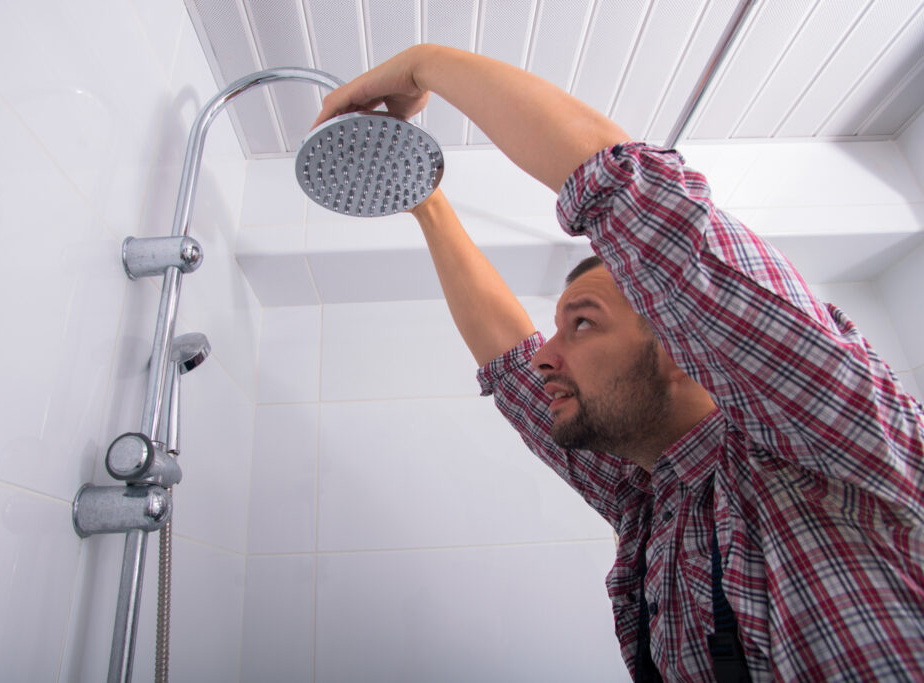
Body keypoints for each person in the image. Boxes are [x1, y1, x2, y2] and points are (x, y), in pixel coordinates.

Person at [313, 44, 924, 681]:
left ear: (684, 345)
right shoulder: (650, 500)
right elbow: (509, 362)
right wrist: (423, 196)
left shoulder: (827, 443)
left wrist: (421, 62)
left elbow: (635, 200)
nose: (546, 357)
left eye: (581, 323)